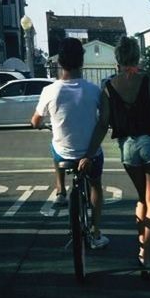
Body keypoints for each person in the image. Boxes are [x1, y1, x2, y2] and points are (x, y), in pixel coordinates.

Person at [80, 35, 150, 271]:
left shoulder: (108, 87)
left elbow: (103, 124)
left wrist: (89, 154)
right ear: (137, 57)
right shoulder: (147, 81)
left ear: (117, 58)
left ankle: (144, 246)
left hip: (127, 148)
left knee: (142, 199)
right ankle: (147, 255)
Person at [31, 37, 109, 249]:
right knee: (96, 185)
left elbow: (35, 121)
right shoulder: (94, 91)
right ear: (81, 62)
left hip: (64, 154)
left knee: (54, 144)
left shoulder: (50, 91)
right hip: (90, 155)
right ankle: (95, 231)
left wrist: (42, 123)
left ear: (59, 62)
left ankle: (60, 190)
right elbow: (104, 121)